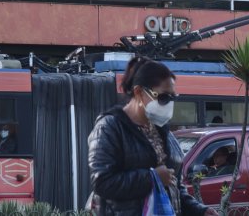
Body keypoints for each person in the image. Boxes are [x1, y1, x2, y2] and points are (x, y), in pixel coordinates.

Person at [87, 55, 216, 216]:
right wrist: (152, 178)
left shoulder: (161, 130)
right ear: (139, 92)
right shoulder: (110, 128)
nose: (169, 103)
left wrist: (200, 210)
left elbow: (173, 186)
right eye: (163, 97)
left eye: (172, 97)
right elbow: (102, 182)